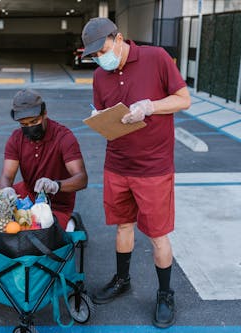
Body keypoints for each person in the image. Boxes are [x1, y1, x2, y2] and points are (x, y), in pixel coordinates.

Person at [81, 17, 191, 328]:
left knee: (158, 236)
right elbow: (103, 114)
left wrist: (150, 107)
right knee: (123, 227)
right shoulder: (100, 77)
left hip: (153, 168)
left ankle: (166, 294)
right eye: (94, 56)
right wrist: (99, 118)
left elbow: (184, 100)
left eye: (102, 50)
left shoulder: (156, 58)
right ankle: (122, 279)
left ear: (119, 39)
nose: (101, 58)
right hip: (117, 164)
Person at [0, 89, 88, 232]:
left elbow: (82, 178)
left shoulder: (64, 138)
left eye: (34, 121)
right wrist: (6, 191)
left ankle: (71, 221)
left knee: (39, 233)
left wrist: (55, 185)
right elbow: (7, 176)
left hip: (57, 203)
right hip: (27, 194)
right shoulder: (16, 138)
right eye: (24, 124)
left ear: (44, 113)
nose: (30, 128)